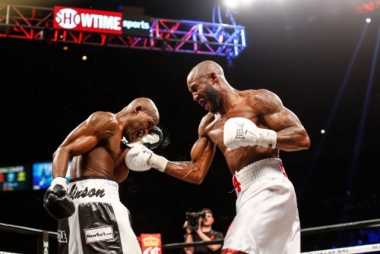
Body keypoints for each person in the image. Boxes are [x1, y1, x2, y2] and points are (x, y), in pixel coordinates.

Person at [125, 60, 311, 254]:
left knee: (234, 250)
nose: (194, 97)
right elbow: (196, 172)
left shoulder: (257, 100)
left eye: (195, 88)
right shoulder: (207, 125)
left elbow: (301, 138)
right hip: (244, 195)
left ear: (214, 77)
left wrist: (258, 136)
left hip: (270, 186)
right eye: (191, 93)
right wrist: (154, 160)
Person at [43, 97, 164, 254]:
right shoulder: (107, 121)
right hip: (98, 204)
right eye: (148, 124)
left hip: (75, 206)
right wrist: (58, 184)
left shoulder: (120, 141)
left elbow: (117, 177)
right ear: (137, 109)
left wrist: (136, 144)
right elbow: (64, 149)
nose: (147, 131)